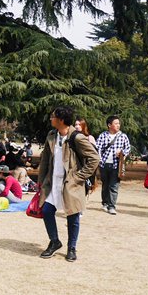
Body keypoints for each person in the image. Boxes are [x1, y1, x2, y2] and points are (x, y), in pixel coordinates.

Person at [37, 106, 99, 262]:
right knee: (46, 211)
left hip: (71, 183)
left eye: (53, 116)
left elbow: (94, 159)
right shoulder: (51, 136)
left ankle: (72, 248)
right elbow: (45, 160)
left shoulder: (76, 138)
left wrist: (79, 177)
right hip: (53, 182)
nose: (50, 119)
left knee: (73, 216)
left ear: (61, 120)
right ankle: (54, 241)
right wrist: (41, 181)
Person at [95, 115, 131, 215]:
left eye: (119, 123)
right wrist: (100, 160)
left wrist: (122, 152)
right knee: (105, 185)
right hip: (104, 164)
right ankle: (105, 203)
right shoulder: (103, 135)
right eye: (116, 123)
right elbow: (97, 148)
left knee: (114, 186)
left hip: (117, 165)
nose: (118, 125)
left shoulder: (123, 136)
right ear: (109, 125)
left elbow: (128, 149)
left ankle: (112, 206)